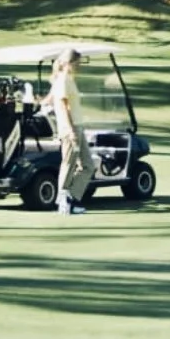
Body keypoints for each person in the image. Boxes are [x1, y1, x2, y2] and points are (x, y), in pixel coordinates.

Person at [46, 48, 95, 215]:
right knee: (69, 164)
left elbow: (50, 100)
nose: (79, 66)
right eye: (77, 63)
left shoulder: (67, 79)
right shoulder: (64, 80)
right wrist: (72, 130)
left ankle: (71, 198)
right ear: (68, 63)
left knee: (88, 165)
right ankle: (63, 201)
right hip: (70, 129)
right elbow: (63, 106)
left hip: (77, 127)